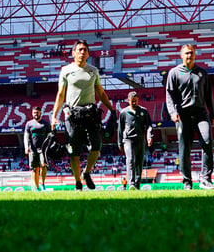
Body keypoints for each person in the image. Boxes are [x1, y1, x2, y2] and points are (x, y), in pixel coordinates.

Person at [51, 39, 115, 190]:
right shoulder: (65, 70)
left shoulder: (93, 70)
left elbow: (101, 92)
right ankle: (77, 182)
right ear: (73, 53)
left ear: (88, 53)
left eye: (85, 50)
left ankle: (86, 173)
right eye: (79, 50)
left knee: (96, 146)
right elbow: (61, 94)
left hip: (91, 113)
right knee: (74, 151)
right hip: (72, 115)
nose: (82, 52)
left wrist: (112, 109)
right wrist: (54, 115)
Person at [165, 44, 214, 190]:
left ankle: (206, 179)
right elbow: (169, 95)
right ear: (181, 55)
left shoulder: (202, 73)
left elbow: (208, 95)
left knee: (207, 141)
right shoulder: (174, 73)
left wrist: (212, 113)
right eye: (186, 53)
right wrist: (172, 112)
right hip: (183, 116)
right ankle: (187, 182)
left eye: (191, 53)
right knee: (185, 149)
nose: (189, 55)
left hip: (201, 114)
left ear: (195, 55)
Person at [117, 90, 154, 190]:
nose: (134, 103)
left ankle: (137, 185)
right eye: (132, 101)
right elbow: (120, 128)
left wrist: (149, 136)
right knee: (130, 159)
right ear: (128, 100)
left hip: (140, 139)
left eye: (136, 101)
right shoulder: (124, 112)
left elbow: (149, 125)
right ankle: (131, 183)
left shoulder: (144, 111)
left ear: (138, 100)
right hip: (128, 139)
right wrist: (119, 142)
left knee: (139, 162)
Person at [23, 106, 52, 191]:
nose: (36, 114)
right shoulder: (29, 124)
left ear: (40, 113)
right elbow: (26, 136)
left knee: (43, 165)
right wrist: (26, 147)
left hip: (43, 149)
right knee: (35, 169)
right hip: (33, 149)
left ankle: (42, 183)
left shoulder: (46, 124)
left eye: (37, 112)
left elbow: (49, 136)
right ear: (32, 113)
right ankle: (36, 187)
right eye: (34, 113)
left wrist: (49, 145)